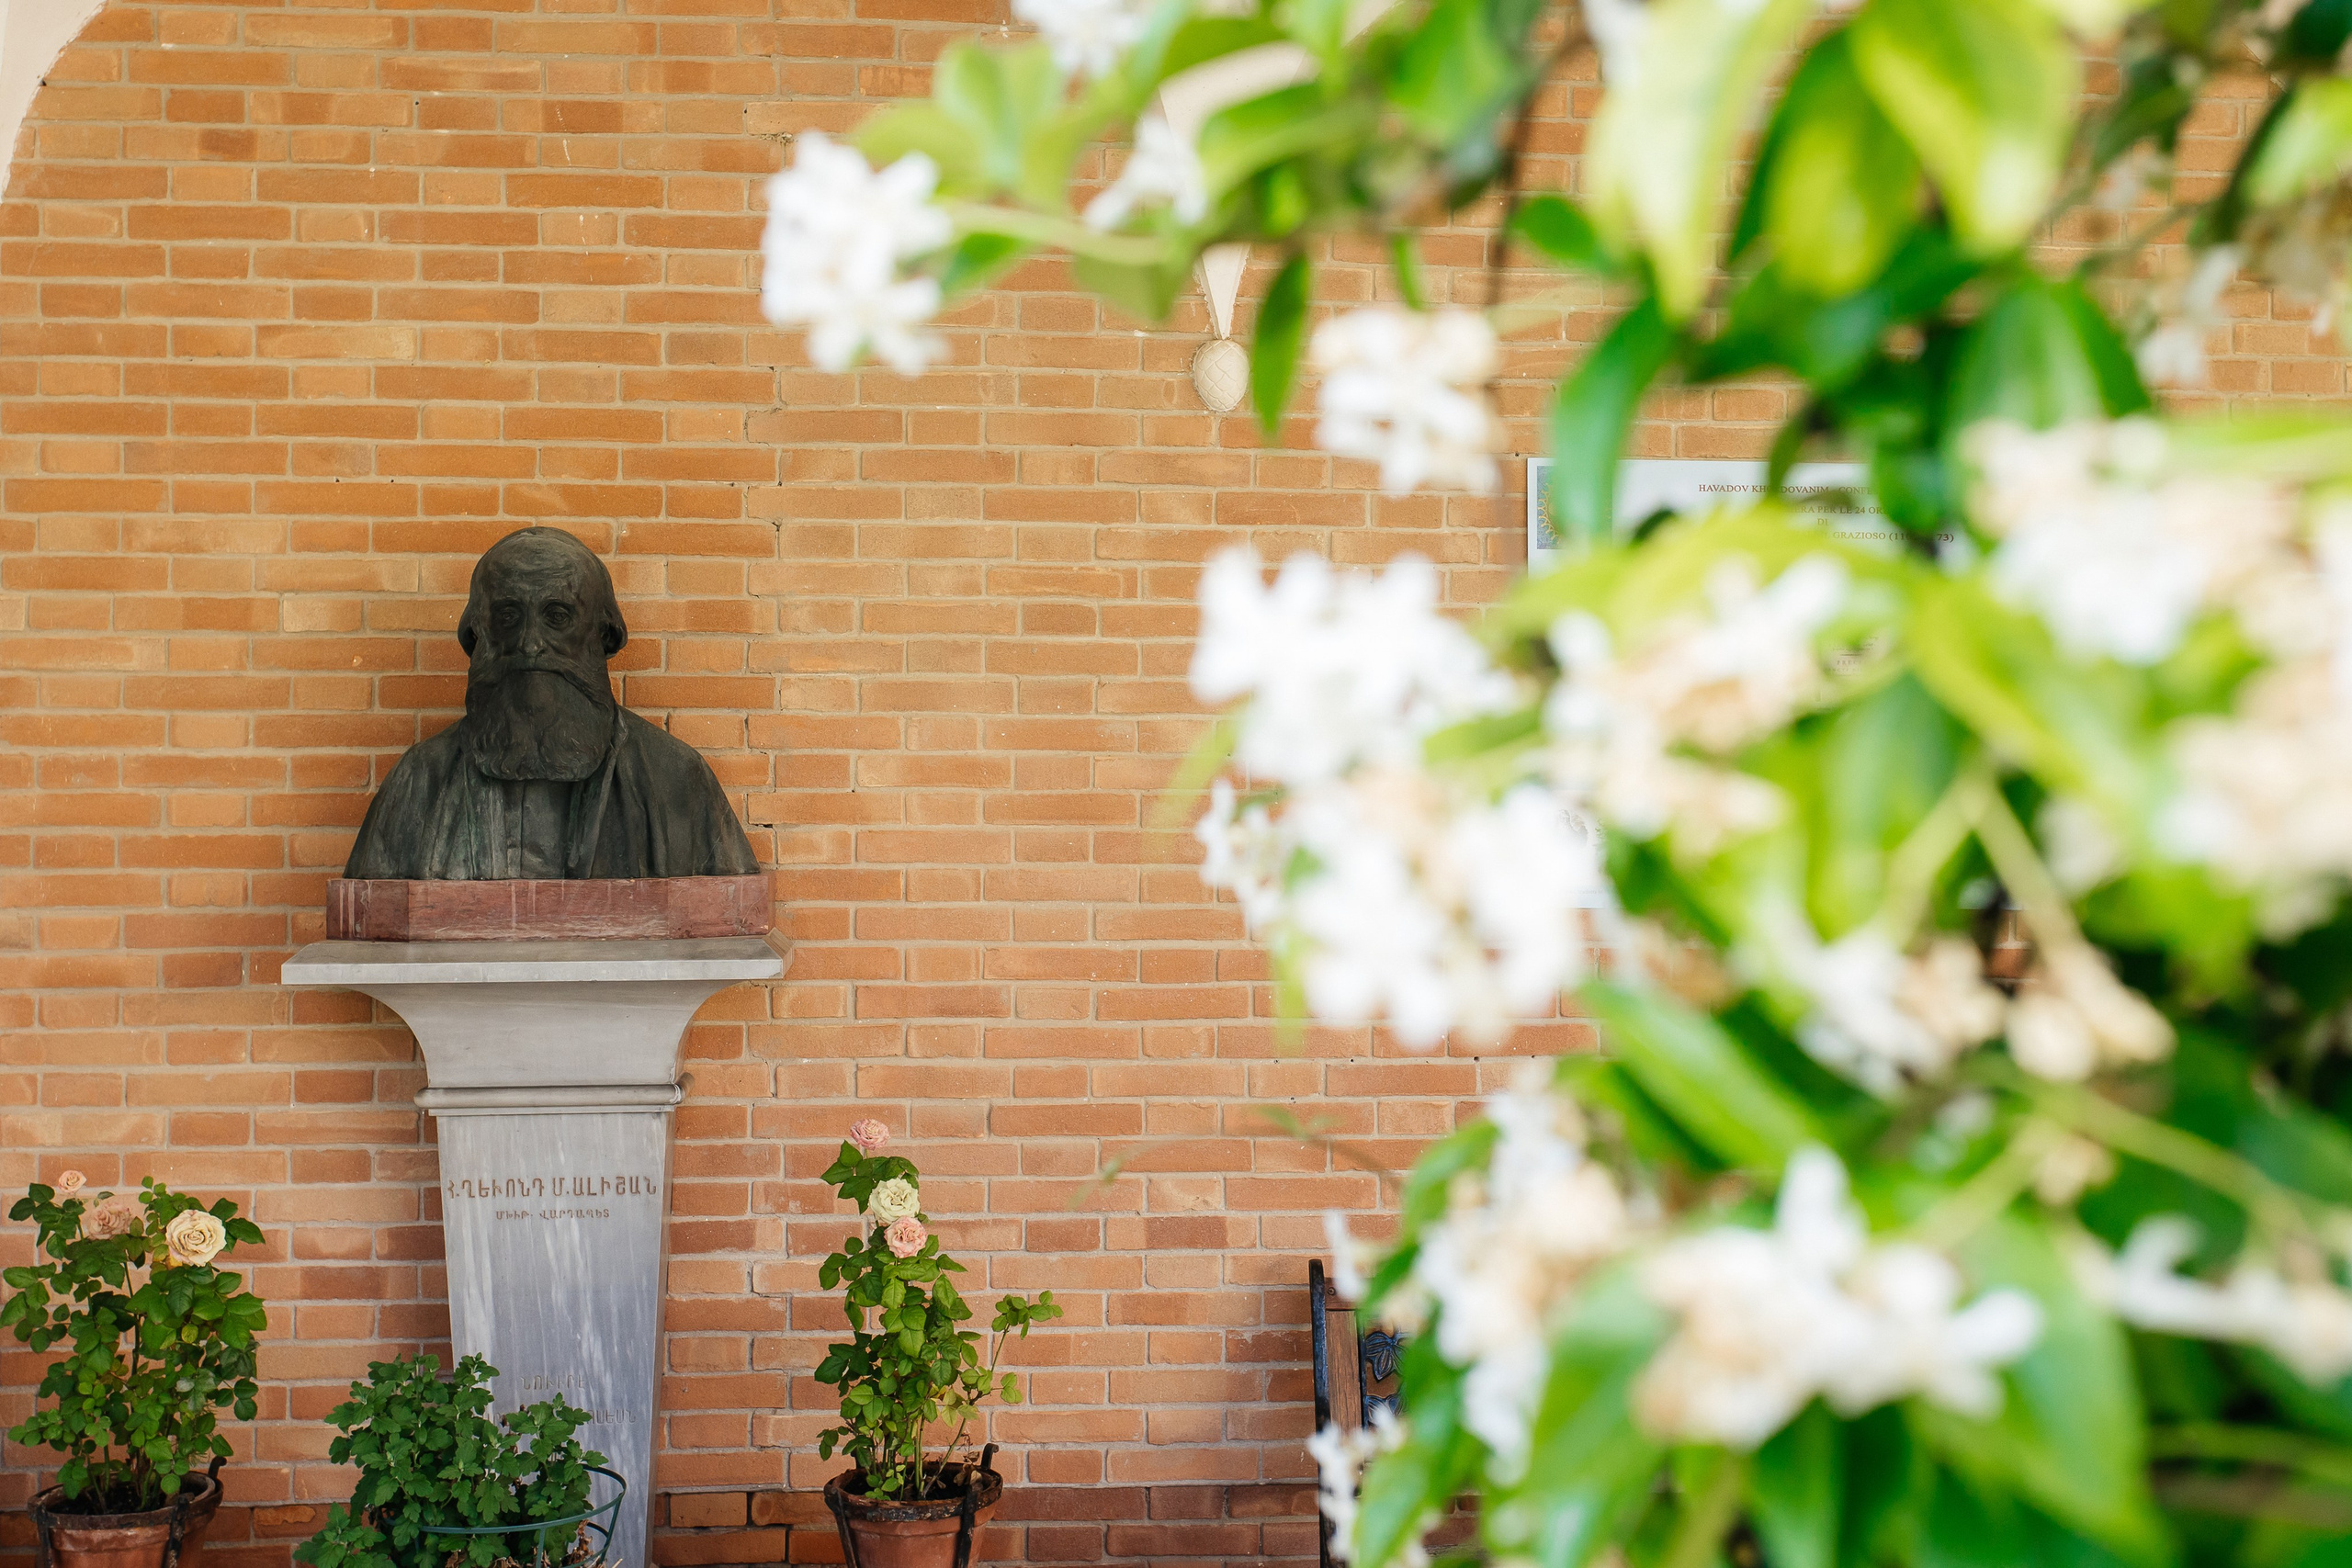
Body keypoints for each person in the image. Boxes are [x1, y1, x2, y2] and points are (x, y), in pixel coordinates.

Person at [344, 527, 760, 881]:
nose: (529, 643)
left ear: (605, 635)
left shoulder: (676, 780)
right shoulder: (419, 782)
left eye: (556, 616)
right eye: (508, 617)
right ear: (475, 636)